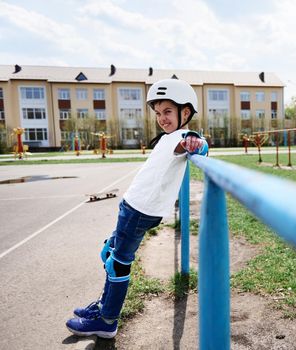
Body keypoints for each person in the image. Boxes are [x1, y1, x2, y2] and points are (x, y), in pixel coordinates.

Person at [66, 78, 208, 338]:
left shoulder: (182, 136)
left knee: (117, 264)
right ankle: (102, 307)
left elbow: (196, 143)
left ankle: (106, 321)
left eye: (167, 111)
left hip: (139, 211)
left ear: (185, 112)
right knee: (110, 254)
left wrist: (200, 145)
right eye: (157, 113)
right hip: (132, 207)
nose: (161, 118)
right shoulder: (168, 137)